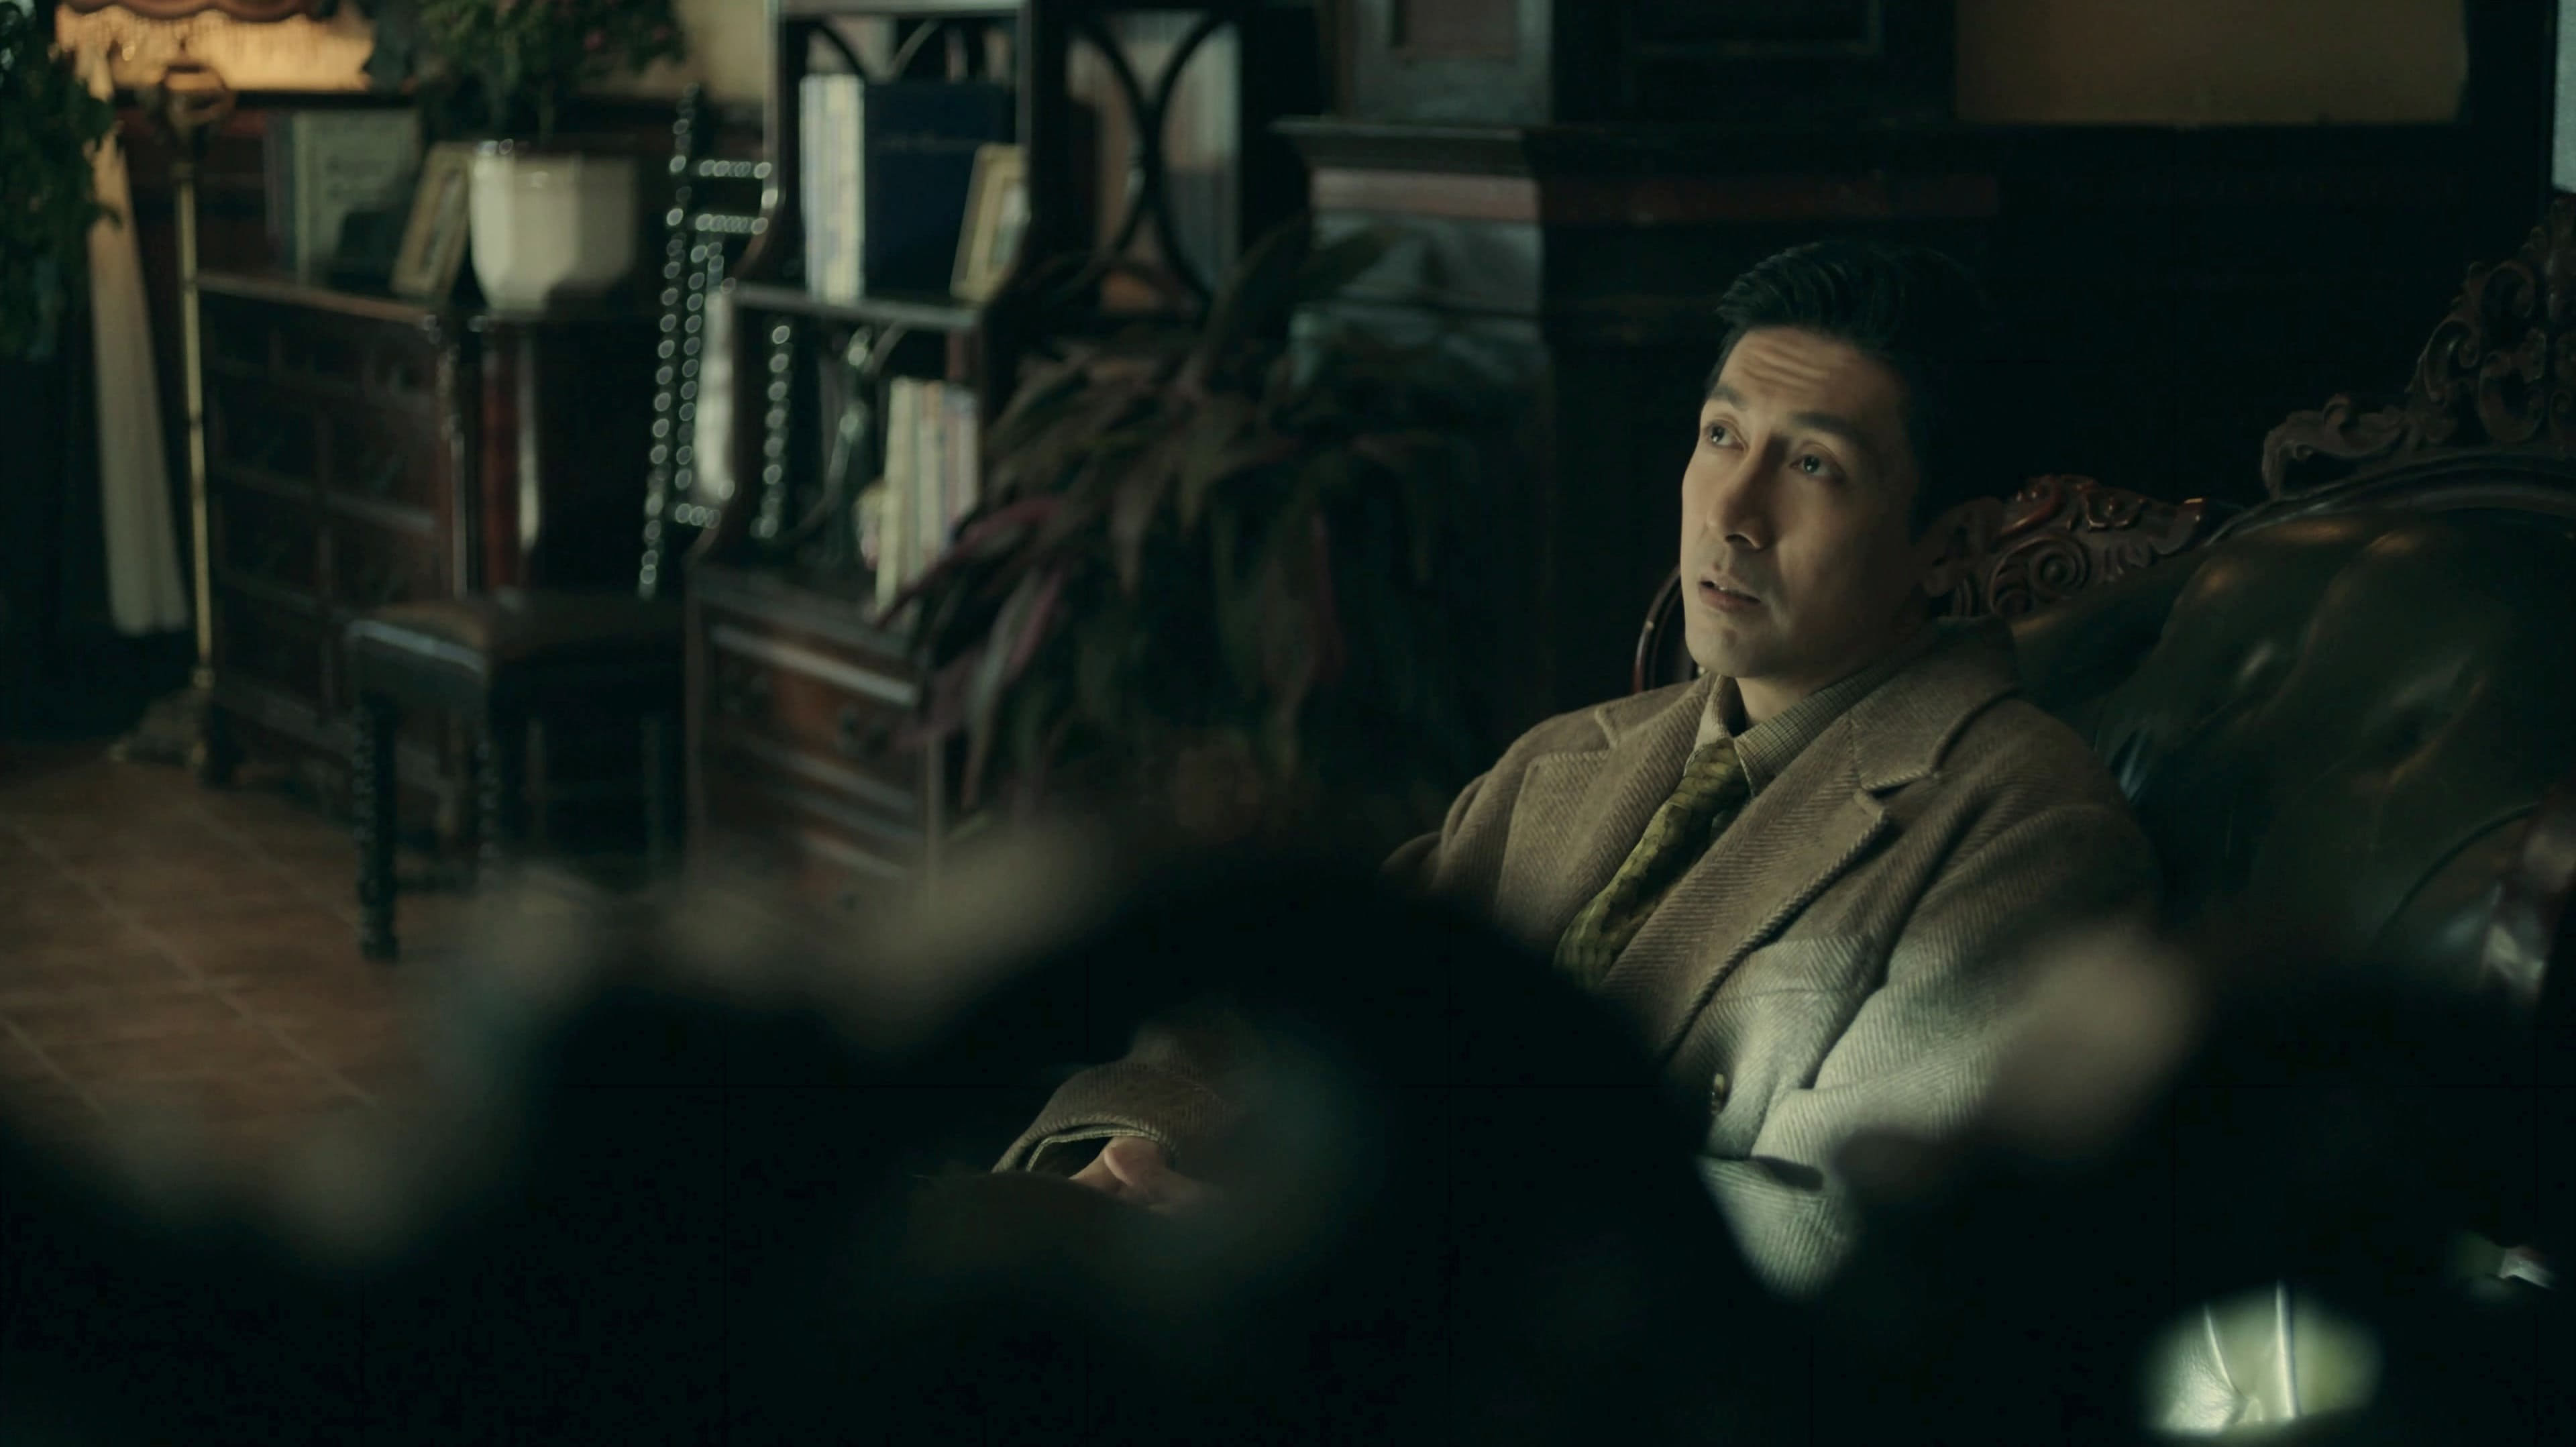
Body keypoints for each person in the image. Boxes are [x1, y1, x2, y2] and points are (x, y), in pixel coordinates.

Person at [998, 238, 2164, 1296]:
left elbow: (1832, 1232)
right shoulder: (1565, 762)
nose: (1733, 513)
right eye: (1721, 436)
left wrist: (1330, 1231)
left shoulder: (2020, 828)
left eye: (1813, 464)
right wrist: (1128, 1159)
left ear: (1952, 545)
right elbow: (1301, 1003)